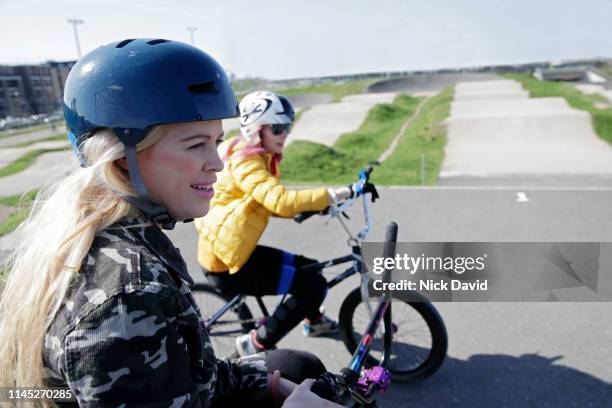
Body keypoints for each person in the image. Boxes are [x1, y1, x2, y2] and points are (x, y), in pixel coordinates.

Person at [0, 38, 340, 407]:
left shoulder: (115, 234)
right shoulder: (127, 300)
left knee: (298, 367)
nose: (217, 163)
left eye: (216, 142)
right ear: (122, 161)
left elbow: (198, 374)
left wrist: (275, 386)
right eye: (196, 145)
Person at [194, 90, 356, 357]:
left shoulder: (254, 155)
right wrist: (332, 194)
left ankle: (314, 323)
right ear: (257, 130)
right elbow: (280, 201)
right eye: (278, 128)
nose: (285, 135)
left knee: (310, 266)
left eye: (287, 127)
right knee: (312, 286)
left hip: (234, 249)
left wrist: (319, 205)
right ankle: (254, 343)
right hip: (229, 264)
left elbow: (266, 201)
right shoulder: (247, 161)